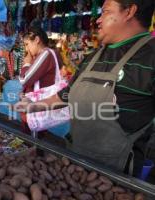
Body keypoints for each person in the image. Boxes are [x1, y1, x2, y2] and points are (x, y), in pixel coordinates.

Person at [16, 0, 155, 176]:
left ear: (129, 12)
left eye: (105, 12)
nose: (97, 19)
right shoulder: (92, 58)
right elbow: (64, 96)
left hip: (117, 179)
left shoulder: (150, 56)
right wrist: (32, 105)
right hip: (75, 165)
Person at [19, 26, 63, 134]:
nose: (26, 49)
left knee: (33, 142)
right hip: (37, 108)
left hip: (37, 110)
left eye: (27, 44)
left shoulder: (46, 54)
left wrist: (26, 63)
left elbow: (25, 79)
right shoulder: (43, 55)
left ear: (37, 40)